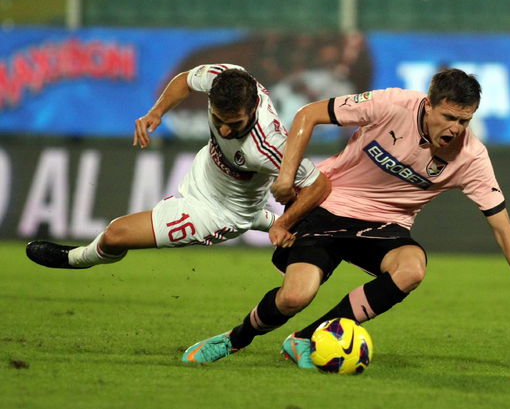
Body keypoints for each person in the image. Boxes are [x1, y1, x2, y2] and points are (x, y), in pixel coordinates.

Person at [180, 68, 510, 366]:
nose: (455, 129)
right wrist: (286, 176)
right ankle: (234, 339)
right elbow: (308, 114)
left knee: (412, 269)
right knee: (296, 295)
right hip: (329, 204)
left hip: (384, 226)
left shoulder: (471, 158)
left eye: (464, 121)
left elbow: (503, 230)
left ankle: (306, 339)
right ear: (428, 105)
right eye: (449, 117)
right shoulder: (392, 104)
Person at [26, 64, 329, 274]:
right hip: (206, 170)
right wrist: (156, 113)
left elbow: (319, 184)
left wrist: (284, 223)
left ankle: (75, 259)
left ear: (253, 108)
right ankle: (260, 217)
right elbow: (185, 80)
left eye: (234, 124)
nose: (224, 130)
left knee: (116, 234)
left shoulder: (270, 146)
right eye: (218, 119)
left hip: (218, 213)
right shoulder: (224, 78)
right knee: (248, 206)